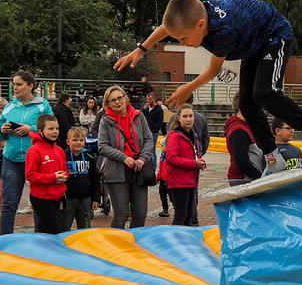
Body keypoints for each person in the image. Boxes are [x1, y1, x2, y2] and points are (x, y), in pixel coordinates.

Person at [117, 0, 302, 174]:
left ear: (201, 25)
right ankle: (273, 157)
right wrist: (140, 49)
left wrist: (187, 87)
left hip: (275, 36)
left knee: (265, 92)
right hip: (253, 44)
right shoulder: (196, 16)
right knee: (247, 105)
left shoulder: (223, 33)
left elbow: (213, 71)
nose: (183, 44)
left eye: (183, 38)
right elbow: (166, 27)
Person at [0, 71, 53, 234]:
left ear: (30, 86)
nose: (15, 87)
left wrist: (31, 130)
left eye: (19, 84)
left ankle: (40, 236)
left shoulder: (43, 105)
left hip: (36, 159)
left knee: (39, 202)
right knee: (9, 204)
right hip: (12, 159)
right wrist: (3, 130)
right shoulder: (9, 106)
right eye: (14, 84)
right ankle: (5, 238)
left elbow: (52, 130)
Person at [97, 85, 155, 229]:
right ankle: (117, 247)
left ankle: (135, 246)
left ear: (125, 97)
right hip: (116, 172)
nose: (117, 102)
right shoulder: (106, 120)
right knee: (121, 215)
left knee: (140, 214)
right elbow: (102, 146)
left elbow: (149, 139)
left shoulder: (139, 116)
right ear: (107, 104)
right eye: (112, 100)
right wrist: (123, 157)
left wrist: (143, 158)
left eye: (119, 98)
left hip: (138, 170)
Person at [164, 104, 207, 226]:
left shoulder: (193, 134)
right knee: (180, 216)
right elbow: (171, 158)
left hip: (191, 181)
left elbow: (194, 153)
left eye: (190, 116)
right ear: (179, 118)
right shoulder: (174, 135)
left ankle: (185, 243)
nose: (188, 119)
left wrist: (200, 162)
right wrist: (194, 164)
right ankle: (176, 243)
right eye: (185, 116)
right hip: (178, 182)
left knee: (189, 216)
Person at [25, 114, 68, 234]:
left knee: (53, 231)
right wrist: (53, 177)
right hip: (42, 198)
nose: (55, 132)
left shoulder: (59, 150)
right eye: (50, 129)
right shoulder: (34, 150)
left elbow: (64, 169)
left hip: (57, 196)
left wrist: (64, 176)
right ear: (40, 131)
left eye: (57, 128)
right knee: (52, 231)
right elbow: (30, 175)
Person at [223, 92, 263, 186]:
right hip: (243, 180)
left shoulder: (246, 126)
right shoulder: (238, 130)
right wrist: (261, 177)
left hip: (248, 178)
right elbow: (242, 162)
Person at [61, 127, 96, 231]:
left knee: (85, 227)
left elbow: (95, 178)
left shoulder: (90, 156)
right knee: (65, 226)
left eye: (81, 140)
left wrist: (96, 198)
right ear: (68, 141)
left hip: (85, 198)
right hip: (68, 198)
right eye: (75, 140)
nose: (78, 142)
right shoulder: (62, 156)